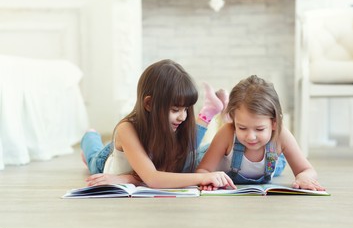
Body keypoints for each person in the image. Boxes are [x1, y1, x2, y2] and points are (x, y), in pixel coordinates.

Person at [80, 59, 236, 189]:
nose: (183, 117)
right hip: (108, 160)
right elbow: (153, 178)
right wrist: (202, 177)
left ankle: (207, 113)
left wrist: (130, 178)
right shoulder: (126, 128)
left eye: (186, 109)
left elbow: (159, 173)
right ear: (149, 104)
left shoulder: (170, 128)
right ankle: (90, 135)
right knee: (93, 159)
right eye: (175, 109)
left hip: (142, 161)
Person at [196, 75, 326, 191]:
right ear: (234, 124)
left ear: (274, 122)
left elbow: (307, 170)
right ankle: (224, 116)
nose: (251, 136)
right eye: (242, 128)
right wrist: (207, 179)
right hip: (212, 153)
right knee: (188, 160)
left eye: (259, 129)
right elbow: (202, 170)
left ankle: (228, 116)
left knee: (279, 163)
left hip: (267, 161)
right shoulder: (227, 133)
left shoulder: (281, 136)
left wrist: (304, 177)